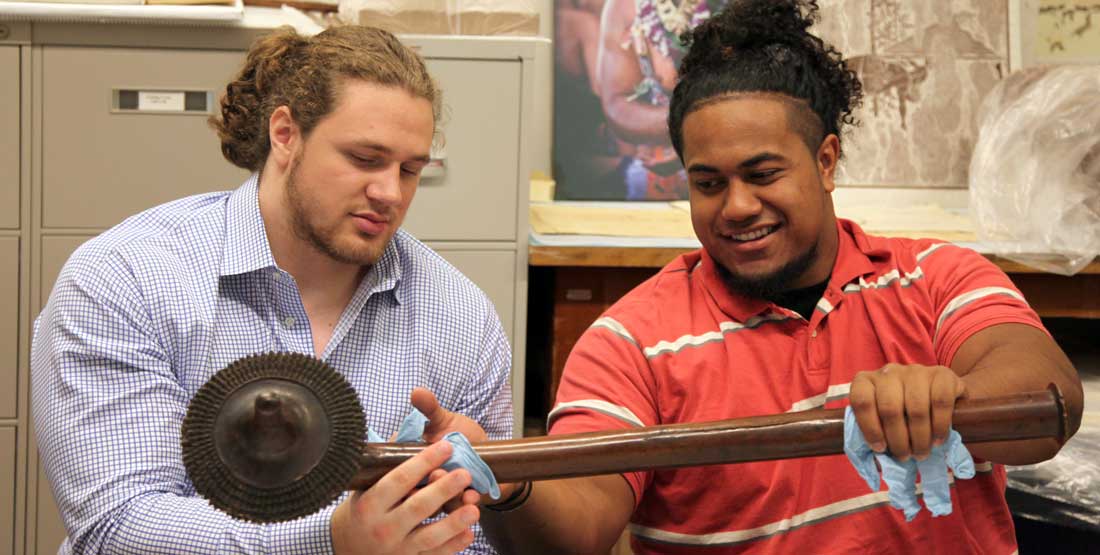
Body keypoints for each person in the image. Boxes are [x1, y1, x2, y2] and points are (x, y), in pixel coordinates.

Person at [479, 1, 1085, 553]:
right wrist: (505, 485)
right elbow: (573, 531)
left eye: (763, 174)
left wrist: (944, 399)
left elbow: (1047, 405)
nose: (737, 206)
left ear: (825, 161)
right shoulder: (631, 340)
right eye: (709, 184)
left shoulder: (935, 277)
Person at [31, 25, 512, 555]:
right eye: (364, 159)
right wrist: (331, 543)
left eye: (411, 169)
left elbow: (481, 538)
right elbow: (118, 526)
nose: (389, 193)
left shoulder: (461, 315)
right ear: (285, 133)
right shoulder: (126, 279)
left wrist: (475, 498)